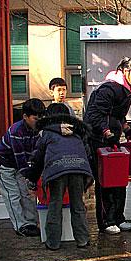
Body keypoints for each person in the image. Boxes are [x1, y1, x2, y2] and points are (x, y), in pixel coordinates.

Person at [83, 56, 131, 235]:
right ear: (126, 70)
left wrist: (126, 129)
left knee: (119, 180)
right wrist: (107, 133)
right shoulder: (109, 89)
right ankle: (106, 221)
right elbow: (94, 115)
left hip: (112, 140)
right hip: (98, 141)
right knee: (106, 182)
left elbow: (117, 115)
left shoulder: (127, 90)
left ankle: (118, 218)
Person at [22, 103, 93, 250]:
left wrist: (32, 179)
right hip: (79, 169)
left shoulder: (46, 133)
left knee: (55, 205)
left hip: (57, 170)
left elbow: (38, 158)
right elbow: (87, 153)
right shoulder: (77, 131)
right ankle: (82, 240)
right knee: (78, 205)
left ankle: (53, 243)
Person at [0, 99, 45, 237]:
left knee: (26, 193)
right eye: (35, 118)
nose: (38, 121)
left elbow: (35, 154)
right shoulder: (16, 131)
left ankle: (31, 223)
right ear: (25, 117)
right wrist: (31, 176)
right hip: (3, 164)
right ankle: (20, 226)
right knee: (12, 195)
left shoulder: (37, 130)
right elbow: (20, 158)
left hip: (19, 165)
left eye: (41, 118)